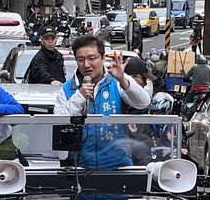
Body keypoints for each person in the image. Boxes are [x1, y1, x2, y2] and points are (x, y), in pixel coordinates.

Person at [54, 35, 151, 170]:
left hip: (118, 166)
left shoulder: (116, 80)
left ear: (103, 58)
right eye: (81, 60)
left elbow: (143, 102)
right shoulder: (67, 89)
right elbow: (58, 122)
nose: (86, 64)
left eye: (92, 58)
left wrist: (123, 79)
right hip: (80, 169)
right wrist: (79, 96)